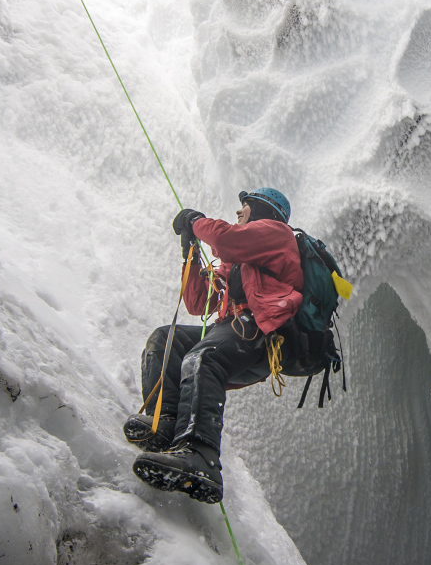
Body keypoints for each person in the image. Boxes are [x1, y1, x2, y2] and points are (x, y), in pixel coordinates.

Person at [125, 186, 302, 503]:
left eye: (245, 206)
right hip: (236, 330)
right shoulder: (240, 264)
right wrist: (189, 255)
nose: (239, 212)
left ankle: (200, 456)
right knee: (166, 339)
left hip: (261, 333)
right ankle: (164, 422)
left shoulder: (278, 235)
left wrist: (197, 222)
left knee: (202, 355)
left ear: (264, 210)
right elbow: (197, 301)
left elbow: (226, 240)